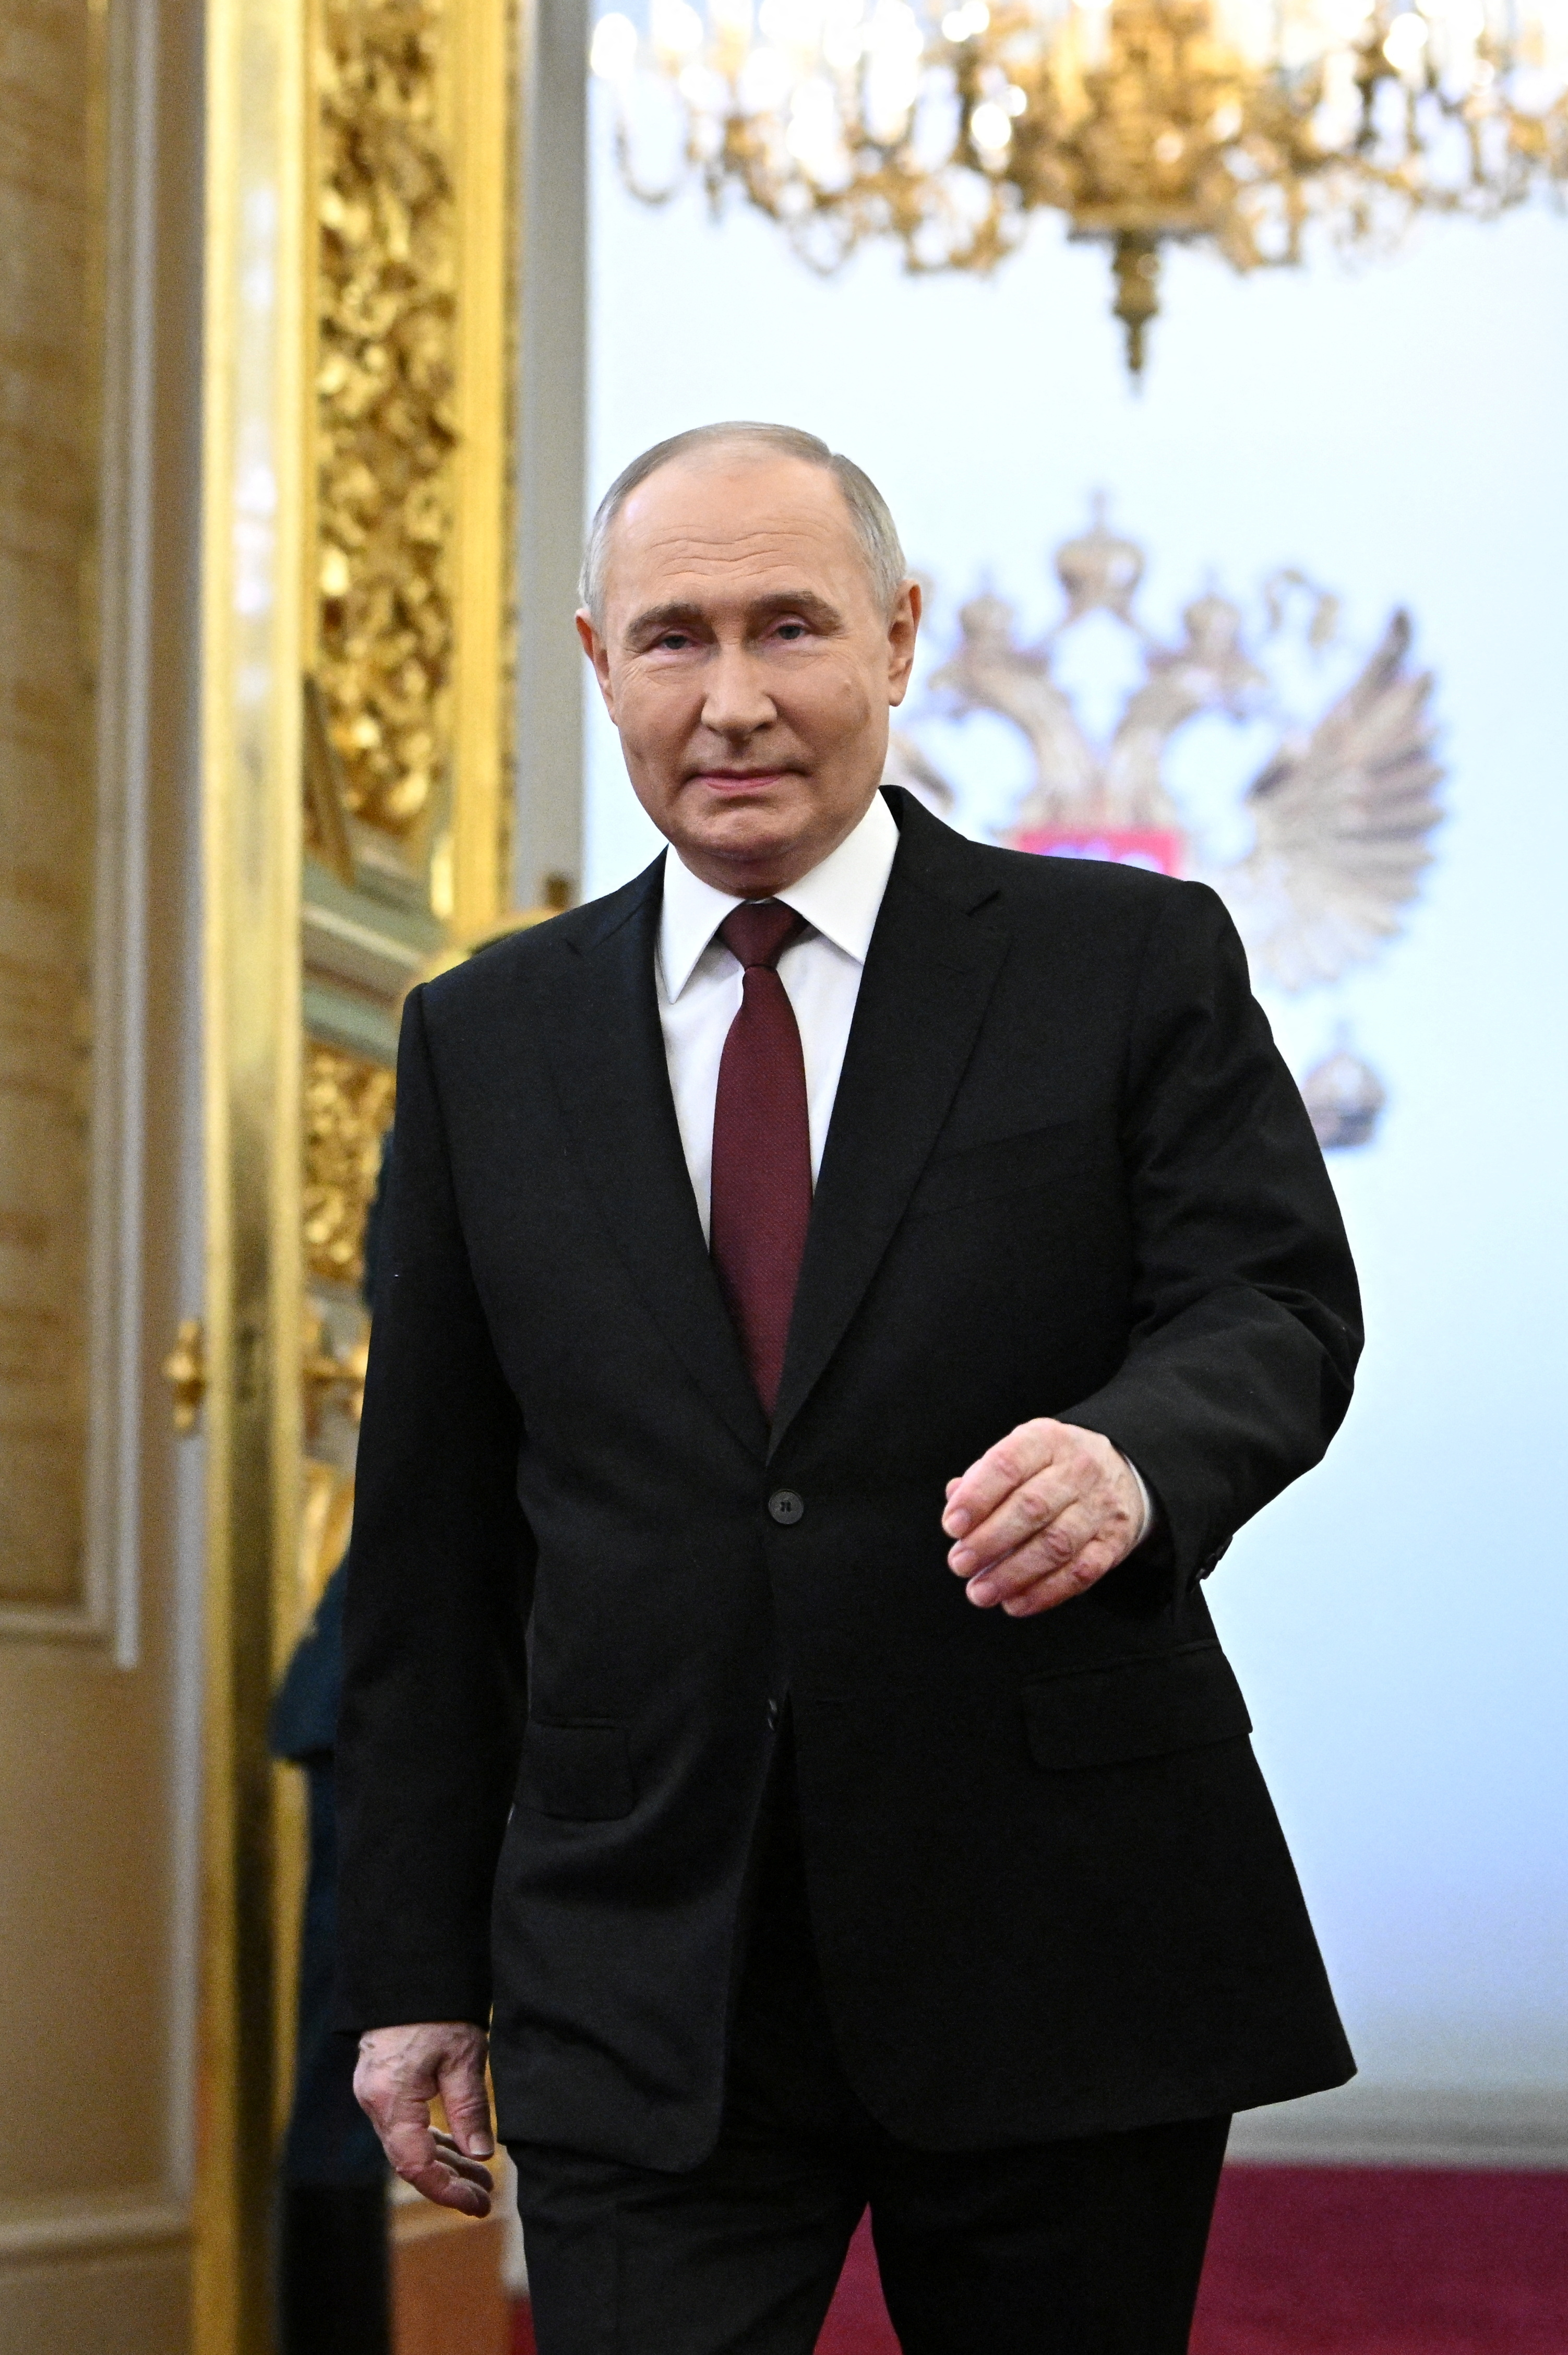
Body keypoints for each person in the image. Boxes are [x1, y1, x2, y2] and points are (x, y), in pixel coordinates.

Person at [339, 422, 1361, 2354]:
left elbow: (1269, 1302)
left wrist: (1135, 1458)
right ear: (594, 662)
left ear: (896, 639)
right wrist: (410, 1968)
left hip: (1060, 1927)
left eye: (788, 626)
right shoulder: (482, 1041)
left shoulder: (1119, 957)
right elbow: (432, 1546)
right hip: (643, 1962)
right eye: (672, 638)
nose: (730, 698)